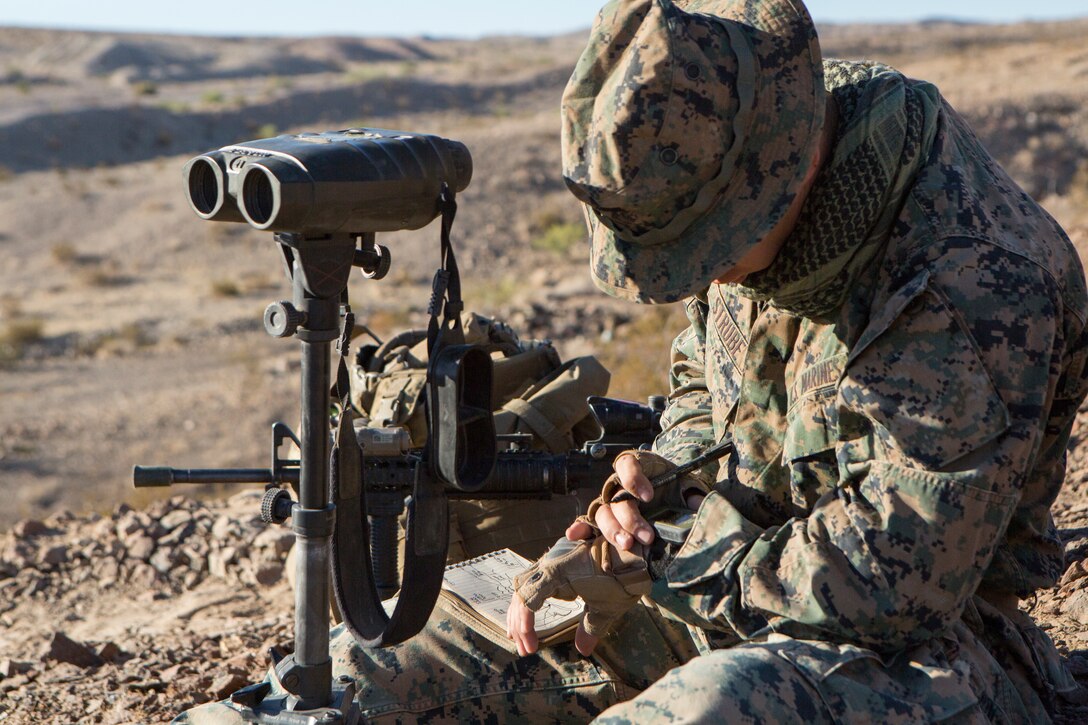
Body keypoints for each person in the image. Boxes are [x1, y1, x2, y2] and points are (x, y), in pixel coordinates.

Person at [179, 0, 1088, 721]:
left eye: (705, 250)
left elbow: (896, 578)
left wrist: (669, 566)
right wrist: (643, 497)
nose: (701, 275)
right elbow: (704, 382)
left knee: (706, 710)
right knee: (371, 673)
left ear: (767, 180)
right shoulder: (742, 153)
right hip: (720, 580)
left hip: (920, 650)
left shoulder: (972, 282)